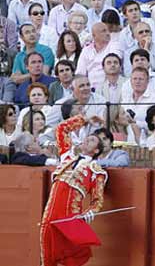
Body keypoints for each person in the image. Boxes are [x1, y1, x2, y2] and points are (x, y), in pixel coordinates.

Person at [40, 113, 107, 266]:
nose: (86, 140)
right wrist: (84, 119)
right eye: (87, 138)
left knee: (70, 258)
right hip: (50, 214)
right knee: (46, 257)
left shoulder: (96, 170)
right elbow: (62, 129)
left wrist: (89, 212)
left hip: (70, 218)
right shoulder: (67, 157)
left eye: (91, 140)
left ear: (96, 151)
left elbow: (98, 199)